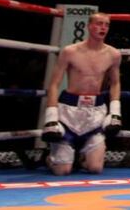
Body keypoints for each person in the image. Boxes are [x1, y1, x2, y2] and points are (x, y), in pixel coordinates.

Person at [42, 12, 122, 175]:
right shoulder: (70, 51)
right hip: (69, 110)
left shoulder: (113, 54)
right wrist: (51, 118)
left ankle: (80, 157)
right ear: (89, 26)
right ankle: (50, 158)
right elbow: (54, 84)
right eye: (99, 23)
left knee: (96, 168)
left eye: (106, 25)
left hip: (95, 112)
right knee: (62, 171)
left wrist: (115, 112)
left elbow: (115, 83)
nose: (103, 28)